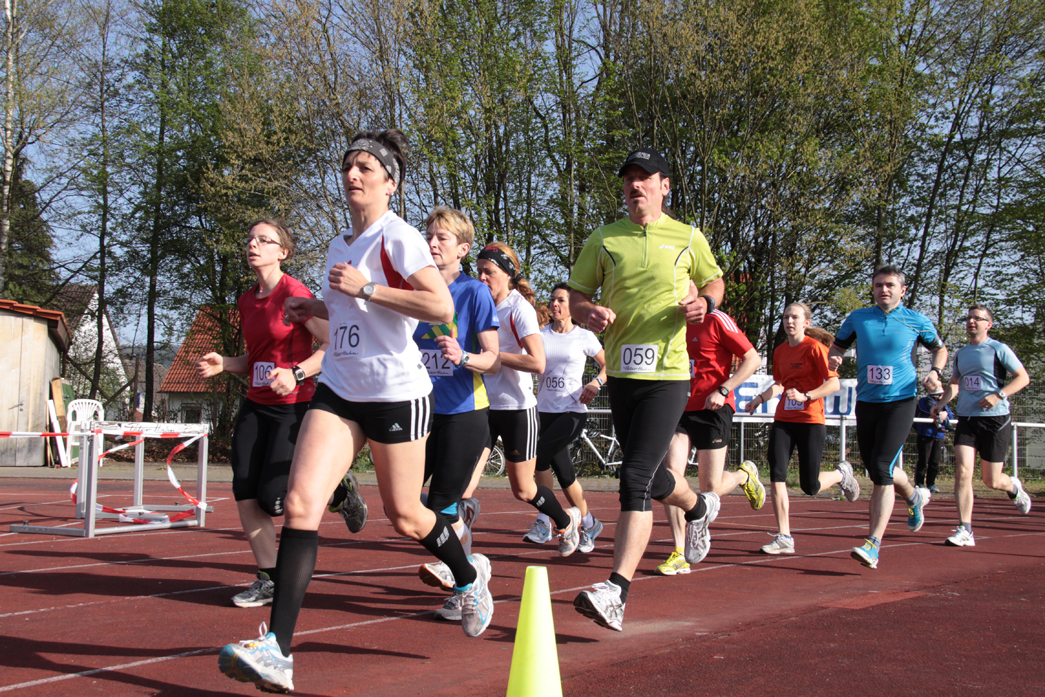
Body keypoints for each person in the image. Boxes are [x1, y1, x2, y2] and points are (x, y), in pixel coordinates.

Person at [218, 130, 493, 694]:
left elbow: (439, 305)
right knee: (300, 504)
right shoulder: (338, 244)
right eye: (348, 165)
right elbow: (350, 312)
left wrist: (368, 289)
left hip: (394, 391)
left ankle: (468, 577)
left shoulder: (399, 237)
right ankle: (278, 650)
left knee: (406, 514)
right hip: (340, 387)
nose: (353, 174)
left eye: (366, 167)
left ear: (390, 183)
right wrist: (315, 305)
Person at [567, 147, 725, 631]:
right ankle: (698, 506)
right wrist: (587, 313)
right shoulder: (604, 238)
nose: (635, 185)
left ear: (664, 185)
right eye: (629, 178)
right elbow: (577, 295)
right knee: (652, 476)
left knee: (634, 478)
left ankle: (616, 591)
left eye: (645, 177)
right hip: (623, 374)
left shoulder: (688, 236)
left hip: (669, 375)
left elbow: (714, 281)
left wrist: (705, 303)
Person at [196, 219, 331, 609]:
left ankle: (338, 487)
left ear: (282, 252)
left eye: (263, 240)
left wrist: (297, 373)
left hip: (294, 406)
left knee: (274, 500)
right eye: (250, 239)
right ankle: (268, 578)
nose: (253, 245)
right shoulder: (246, 301)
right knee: (245, 491)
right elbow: (255, 361)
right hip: (256, 404)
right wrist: (225, 363)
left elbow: (331, 346)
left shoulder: (295, 294)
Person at [412, 207, 501, 614]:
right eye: (429, 235)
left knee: (437, 508)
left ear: (463, 249)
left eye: (442, 238)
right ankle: (471, 567)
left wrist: (463, 356)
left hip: (464, 413)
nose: (432, 243)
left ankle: (465, 583)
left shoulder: (474, 292)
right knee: (403, 504)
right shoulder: (415, 290)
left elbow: (493, 360)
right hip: (420, 411)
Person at [828, 265, 947, 570]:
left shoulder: (916, 320)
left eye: (890, 285)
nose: (884, 289)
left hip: (900, 402)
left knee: (882, 469)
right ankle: (914, 496)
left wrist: (935, 372)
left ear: (902, 290)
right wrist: (835, 356)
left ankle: (873, 544)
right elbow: (838, 345)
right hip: (867, 402)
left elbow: (940, 349)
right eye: (879, 285)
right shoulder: (858, 318)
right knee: (879, 470)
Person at [476, 242, 584, 556]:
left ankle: (565, 520)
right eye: (479, 271)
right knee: (465, 483)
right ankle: (459, 557)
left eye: (488, 271)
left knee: (523, 490)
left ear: (507, 274)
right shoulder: (479, 303)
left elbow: (538, 363)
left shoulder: (518, 308)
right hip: (482, 406)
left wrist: (494, 357)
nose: (481, 277)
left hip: (516, 408)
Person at [743, 305, 860, 556]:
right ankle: (784, 536)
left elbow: (833, 383)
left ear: (806, 322)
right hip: (784, 420)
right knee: (777, 475)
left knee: (810, 486)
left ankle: (841, 474)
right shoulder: (780, 351)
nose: (789, 321)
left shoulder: (815, 348)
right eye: (786, 317)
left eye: (795, 317)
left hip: (810, 420)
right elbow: (779, 384)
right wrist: (759, 399)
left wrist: (806, 396)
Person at [655, 305, 762, 575]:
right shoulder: (669, 320)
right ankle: (679, 551)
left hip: (713, 408)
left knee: (710, 487)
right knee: (671, 478)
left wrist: (724, 389)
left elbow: (753, 359)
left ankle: (743, 476)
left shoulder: (717, 320)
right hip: (679, 407)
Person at [930, 304, 1031, 547]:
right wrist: (941, 404)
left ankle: (1013, 488)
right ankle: (965, 529)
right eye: (969, 318)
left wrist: (999, 395)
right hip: (967, 418)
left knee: (991, 480)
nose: (971, 322)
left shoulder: (999, 349)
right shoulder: (961, 353)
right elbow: (955, 383)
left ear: (989, 324)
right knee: (963, 471)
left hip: (995, 419)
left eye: (978, 318)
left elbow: (1023, 378)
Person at [522, 283, 607, 553]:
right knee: (566, 476)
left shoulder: (584, 337)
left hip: (572, 411)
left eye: (560, 300)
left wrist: (595, 383)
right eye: (552, 300)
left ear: (572, 306)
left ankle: (544, 521)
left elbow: (608, 364)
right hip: (544, 411)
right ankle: (590, 523)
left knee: (539, 458)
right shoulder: (540, 336)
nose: (555, 304)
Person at [914, 384, 953, 493]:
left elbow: (951, 415)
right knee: (923, 460)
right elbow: (927, 411)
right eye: (939, 394)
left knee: (935, 461)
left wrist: (945, 413)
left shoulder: (943, 404)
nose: (940, 397)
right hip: (925, 434)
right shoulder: (923, 401)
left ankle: (931, 484)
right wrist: (938, 413)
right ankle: (919, 483)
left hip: (939, 435)